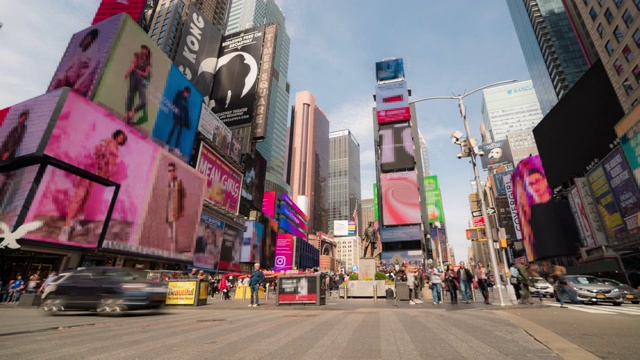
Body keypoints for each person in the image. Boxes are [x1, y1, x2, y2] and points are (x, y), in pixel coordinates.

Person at [60, 129, 128, 241]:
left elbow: (112, 165)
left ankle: (74, 221)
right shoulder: (108, 141)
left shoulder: (117, 148)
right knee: (79, 197)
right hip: (89, 169)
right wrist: (102, 160)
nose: (121, 138)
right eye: (120, 136)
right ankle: (66, 227)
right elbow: (96, 150)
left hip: (98, 174)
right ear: (116, 135)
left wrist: (108, 173)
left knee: (86, 198)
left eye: (123, 138)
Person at [49, 28, 100, 97]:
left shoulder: (93, 54)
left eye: (89, 39)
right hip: (69, 81)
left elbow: (90, 70)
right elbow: (67, 68)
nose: (86, 41)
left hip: (79, 84)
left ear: (92, 41)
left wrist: (77, 84)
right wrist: (65, 77)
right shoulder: (78, 55)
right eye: (86, 38)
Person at [0, 109, 29, 204]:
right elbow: (7, 140)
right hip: (4, 151)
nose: (22, 119)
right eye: (21, 117)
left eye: (24, 118)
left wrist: (8, 152)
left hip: (10, 153)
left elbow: (17, 142)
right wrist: (2, 151)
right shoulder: (15, 128)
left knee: (6, 177)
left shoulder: (23, 128)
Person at [125, 45, 151, 125]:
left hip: (141, 80)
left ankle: (132, 113)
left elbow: (146, 74)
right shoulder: (137, 56)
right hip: (133, 77)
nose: (143, 51)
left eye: (145, 50)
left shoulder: (148, 63)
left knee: (143, 102)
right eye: (142, 49)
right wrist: (128, 72)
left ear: (147, 52)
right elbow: (132, 65)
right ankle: (128, 117)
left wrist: (138, 71)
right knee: (130, 95)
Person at [167, 162, 186, 252]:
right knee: (170, 232)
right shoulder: (169, 182)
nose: (170, 173)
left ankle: (174, 250)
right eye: (169, 171)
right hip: (168, 210)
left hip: (175, 210)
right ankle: (171, 249)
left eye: (172, 171)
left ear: (175, 171)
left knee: (174, 232)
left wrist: (182, 209)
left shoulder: (179, 182)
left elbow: (183, 195)